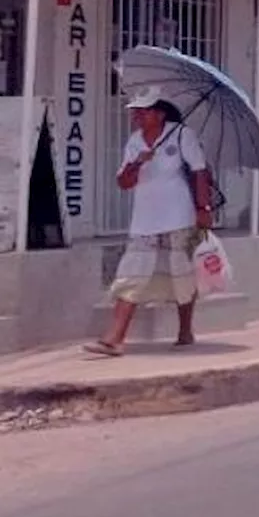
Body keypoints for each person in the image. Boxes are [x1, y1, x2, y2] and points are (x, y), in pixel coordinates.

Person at [84, 87, 213, 357]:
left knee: (182, 272)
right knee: (131, 273)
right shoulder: (135, 141)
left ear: (159, 113)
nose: (137, 116)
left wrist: (203, 208)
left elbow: (200, 172)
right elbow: (124, 183)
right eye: (135, 112)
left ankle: (185, 330)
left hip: (179, 215)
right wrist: (137, 163)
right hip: (144, 220)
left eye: (143, 111)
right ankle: (115, 338)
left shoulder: (181, 135)